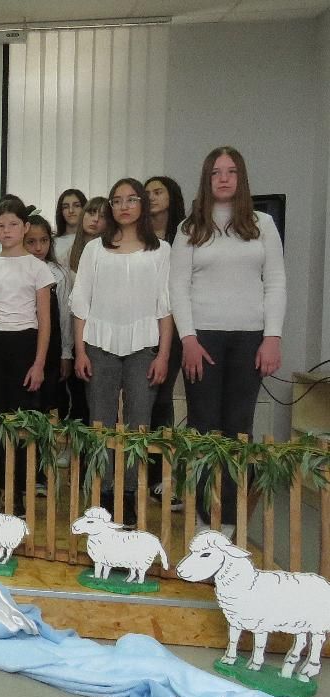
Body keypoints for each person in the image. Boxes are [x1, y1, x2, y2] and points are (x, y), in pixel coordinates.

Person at [170, 147, 285, 535]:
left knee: (239, 431)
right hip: (202, 340)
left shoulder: (262, 224)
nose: (224, 178)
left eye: (231, 171)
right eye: (217, 172)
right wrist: (187, 338)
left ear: (241, 177)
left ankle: (230, 526)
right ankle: (205, 523)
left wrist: (272, 338)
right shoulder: (189, 228)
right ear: (207, 178)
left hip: (250, 339)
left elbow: (276, 283)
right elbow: (178, 288)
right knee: (204, 430)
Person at [70, 179, 171, 523]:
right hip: (99, 344)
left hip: (145, 345)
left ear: (142, 204)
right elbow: (80, 303)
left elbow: (165, 308)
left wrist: (163, 355)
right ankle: (102, 492)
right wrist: (80, 351)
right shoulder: (95, 249)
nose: (124, 206)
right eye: (117, 201)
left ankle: (130, 494)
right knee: (101, 421)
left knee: (139, 422)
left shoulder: (162, 250)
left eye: (131, 199)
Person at [0, 199, 53, 514]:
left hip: (24, 346)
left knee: (20, 424)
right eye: (1, 226)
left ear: (25, 227)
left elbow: (45, 321)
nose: (7, 231)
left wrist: (39, 363)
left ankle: (17, 493)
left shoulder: (38, 268)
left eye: (13, 224)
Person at [144, 175, 187, 506]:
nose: (151, 198)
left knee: (161, 401)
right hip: (141, 326)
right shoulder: (137, 236)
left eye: (157, 192)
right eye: (147, 194)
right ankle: (136, 477)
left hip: (177, 326)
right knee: (140, 403)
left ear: (171, 197)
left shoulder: (185, 235)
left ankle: (162, 478)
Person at [63, 195, 107, 423]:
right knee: (78, 397)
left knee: (99, 400)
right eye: (91, 213)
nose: (95, 219)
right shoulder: (68, 253)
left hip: (100, 333)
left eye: (102, 215)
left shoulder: (111, 251)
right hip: (73, 332)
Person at [25, 215, 73, 421]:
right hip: (23, 343)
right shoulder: (15, 270)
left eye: (44, 240)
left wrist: (66, 353)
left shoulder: (58, 273)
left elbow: (64, 316)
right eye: (31, 241)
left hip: (52, 347)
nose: (38, 247)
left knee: (50, 399)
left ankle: (48, 451)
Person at [53, 188, 87, 268]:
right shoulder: (52, 243)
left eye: (76, 206)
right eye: (65, 207)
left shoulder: (92, 241)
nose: (71, 210)